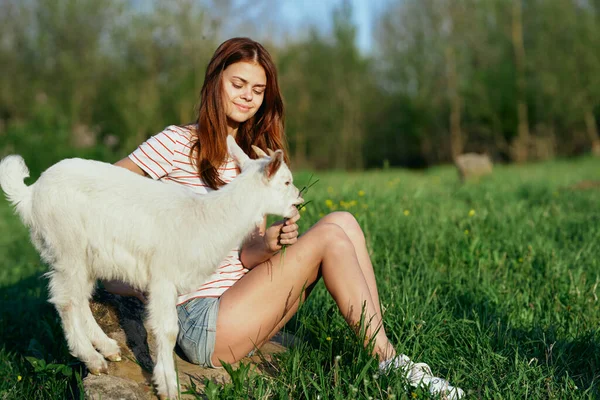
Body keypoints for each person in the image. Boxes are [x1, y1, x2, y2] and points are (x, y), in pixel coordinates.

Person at [104, 37, 464, 399]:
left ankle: (386, 354)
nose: (248, 96)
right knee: (329, 239)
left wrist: (268, 243)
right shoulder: (178, 142)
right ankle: (390, 363)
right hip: (201, 320)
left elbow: (245, 257)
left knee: (343, 222)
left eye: (258, 90)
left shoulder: (253, 160)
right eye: (238, 84)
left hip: (241, 301)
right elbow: (105, 190)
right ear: (215, 82)